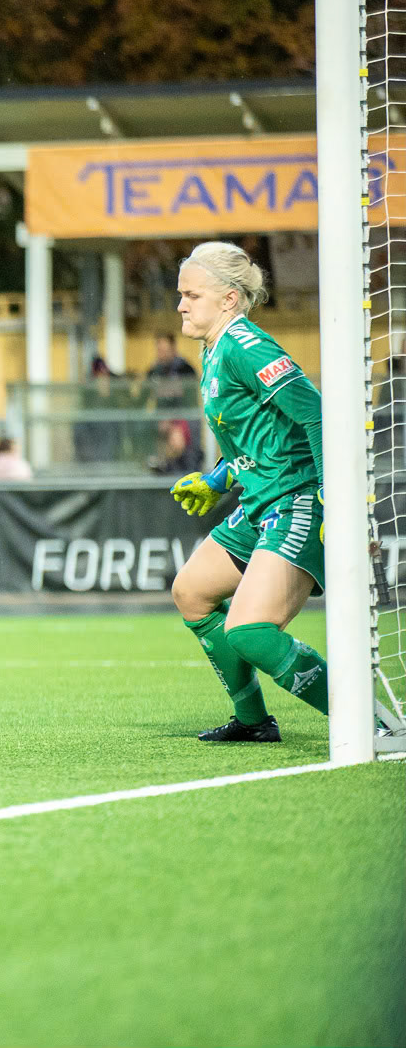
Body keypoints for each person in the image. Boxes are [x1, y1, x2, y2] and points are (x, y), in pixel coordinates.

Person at [167, 241, 328, 742]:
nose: (181, 305)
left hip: (296, 499)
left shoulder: (246, 346)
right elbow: (257, 441)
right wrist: (217, 479)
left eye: (192, 294)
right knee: (191, 593)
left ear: (230, 299)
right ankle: (254, 721)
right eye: (181, 294)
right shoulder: (213, 347)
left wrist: (332, 495)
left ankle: (372, 720)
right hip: (260, 502)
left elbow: (315, 413)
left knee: (249, 631)